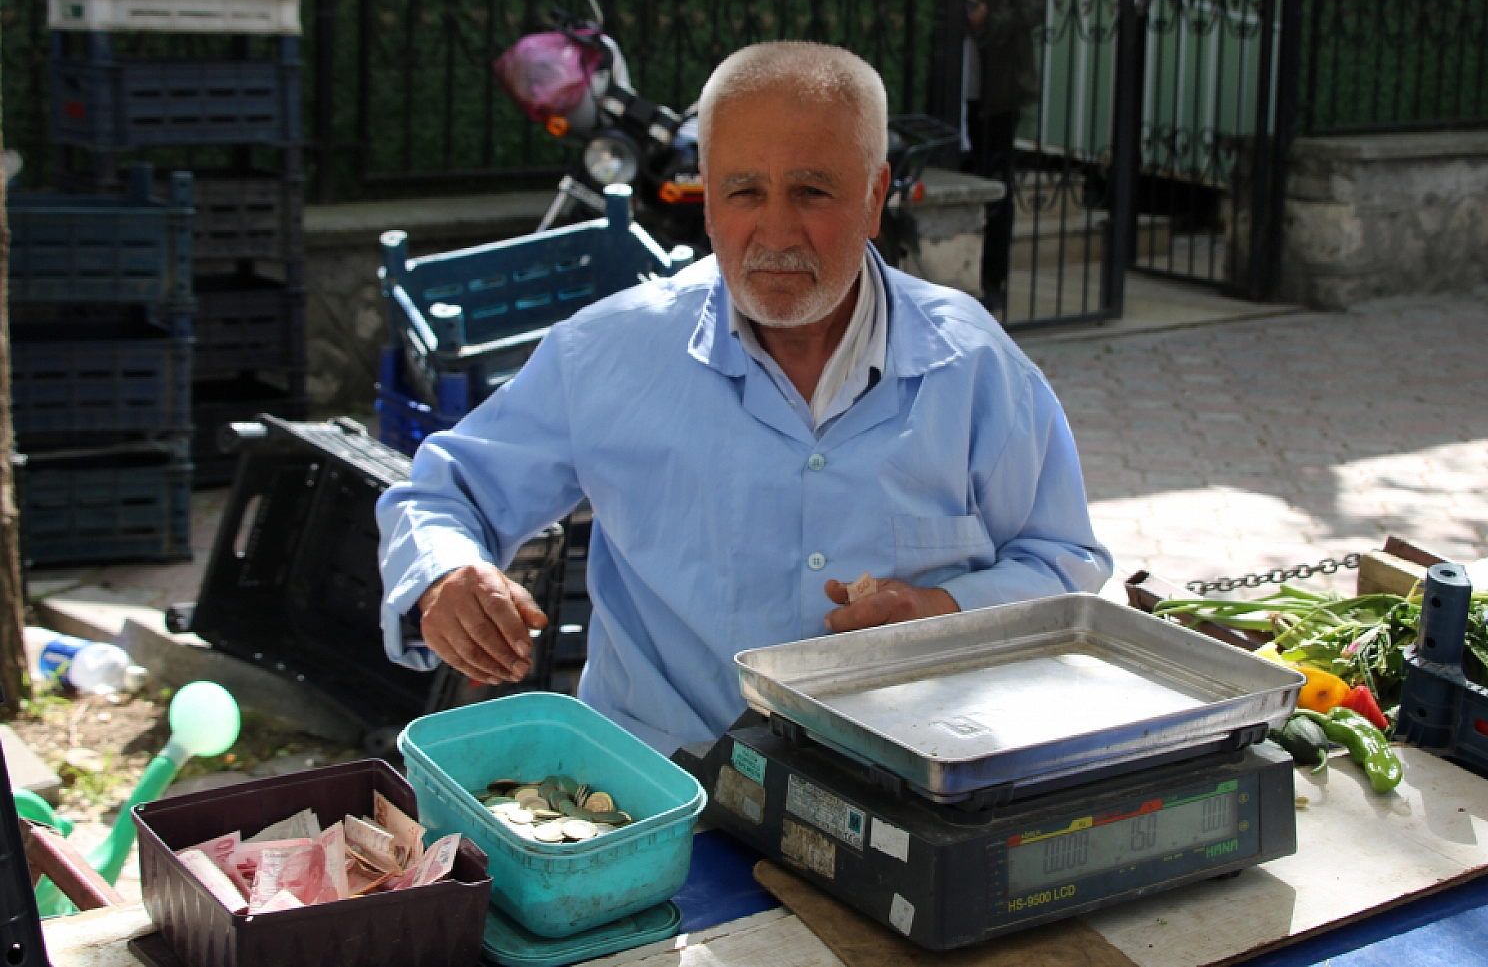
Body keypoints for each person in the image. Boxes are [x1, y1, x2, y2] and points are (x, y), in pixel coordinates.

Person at [376, 42, 1110, 754]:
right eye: (744, 191)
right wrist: (445, 574)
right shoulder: (608, 354)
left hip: (902, 785)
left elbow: (1062, 556)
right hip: (658, 791)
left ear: (875, 196)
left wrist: (943, 609)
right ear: (706, 197)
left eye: (812, 191)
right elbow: (444, 492)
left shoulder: (972, 366)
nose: (777, 232)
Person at [940, 0, 1043, 315]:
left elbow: (1035, 7)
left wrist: (990, 20)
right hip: (950, 84)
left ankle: (992, 279)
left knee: (996, 184)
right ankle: (953, 278)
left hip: (997, 86)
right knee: (953, 176)